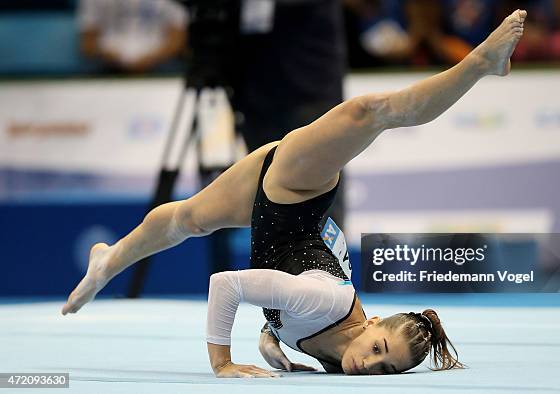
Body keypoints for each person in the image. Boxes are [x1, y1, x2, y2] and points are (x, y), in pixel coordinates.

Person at [61, 9, 528, 378]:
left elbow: (285, 310)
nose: (369, 364)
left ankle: (109, 259)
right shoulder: (327, 306)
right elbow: (228, 285)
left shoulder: (337, 354)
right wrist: (222, 363)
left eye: (385, 370)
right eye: (378, 349)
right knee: (371, 112)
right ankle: (479, 63)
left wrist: (272, 339)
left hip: (274, 210)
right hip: (297, 193)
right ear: (372, 324)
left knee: (189, 220)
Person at [78, 0, 187, 73]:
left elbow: (177, 39)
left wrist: (150, 59)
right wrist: (118, 59)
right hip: (108, 68)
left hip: (159, 67)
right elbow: (88, 45)